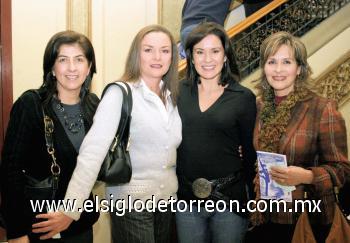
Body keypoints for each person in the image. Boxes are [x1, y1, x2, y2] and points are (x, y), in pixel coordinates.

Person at [38, 25, 182, 243]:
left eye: (164, 50)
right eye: (148, 49)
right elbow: (92, 152)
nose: (157, 57)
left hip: (166, 203)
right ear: (136, 54)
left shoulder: (170, 97)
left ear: (172, 55)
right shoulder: (120, 93)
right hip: (131, 203)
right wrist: (71, 208)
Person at [249, 31, 350, 243]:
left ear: (299, 69)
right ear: (264, 67)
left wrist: (307, 176)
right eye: (271, 61)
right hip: (264, 215)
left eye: (286, 62)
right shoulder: (258, 107)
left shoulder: (322, 109)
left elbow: (342, 170)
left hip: (307, 218)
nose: (278, 70)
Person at [0, 30, 100, 242]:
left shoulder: (95, 106)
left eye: (79, 59)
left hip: (80, 224)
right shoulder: (31, 104)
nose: (72, 68)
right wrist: (17, 233)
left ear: (89, 67)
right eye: (63, 60)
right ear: (52, 68)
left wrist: (70, 213)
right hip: (39, 227)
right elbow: (11, 171)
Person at [176, 22, 257, 243]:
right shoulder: (177, 92)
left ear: (225, 56)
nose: (207, 59)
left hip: (229, 201)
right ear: (191, 57)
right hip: (186, 200)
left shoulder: (243, 97)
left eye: (215, 51)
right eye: (199, 52)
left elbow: (250, 154)